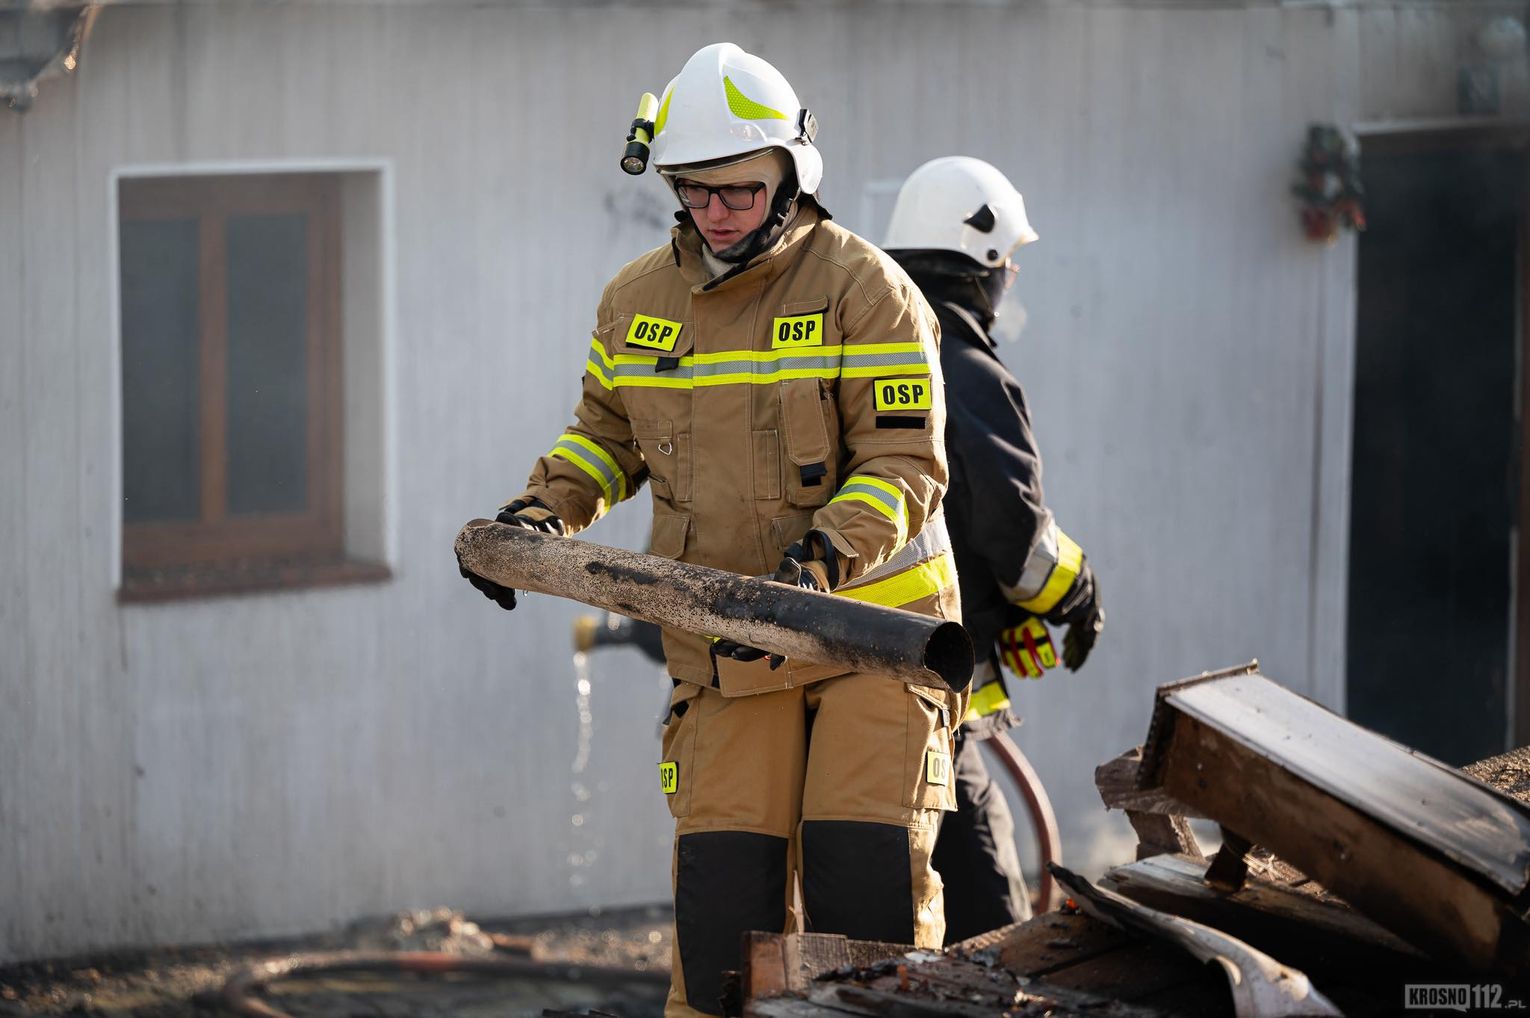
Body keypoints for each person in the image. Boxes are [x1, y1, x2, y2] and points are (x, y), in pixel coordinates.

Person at [459, 44, 963, 1018]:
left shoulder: (867, 289)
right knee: (724, 919)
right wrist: (540, 512)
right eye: (695, 190)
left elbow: (906, 460)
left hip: (872, 636)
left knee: (865, 901)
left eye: (740, 189)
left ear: (792, 175)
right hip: (731, 651)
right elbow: (606, 437)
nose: (717, 212)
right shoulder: (635, 301)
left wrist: (823, 558)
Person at [883, 156, 1105, 942]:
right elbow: (1012, 529)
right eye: (1008, 259)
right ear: (980, 262)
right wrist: (1076, 592)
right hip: (927, 690)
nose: (1013, 275)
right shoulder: (967, 370)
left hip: (857, 680)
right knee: (990, 919)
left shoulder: (866, 347)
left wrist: (997, 613)